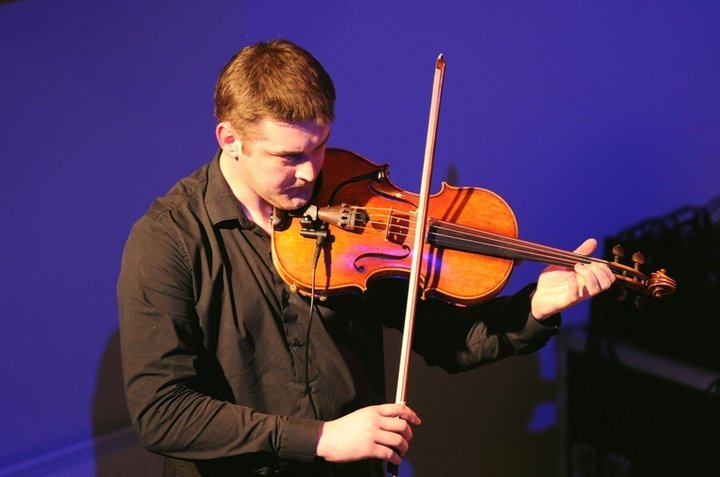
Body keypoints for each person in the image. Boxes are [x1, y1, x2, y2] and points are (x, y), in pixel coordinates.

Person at [117, 39, 615, 477]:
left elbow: (451, 341)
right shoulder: (169, 241)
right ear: (231, 140)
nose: (310, 173)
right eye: (289, 157)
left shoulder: (352, 205)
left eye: (320, 147)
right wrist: (321, 438)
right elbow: (163, 412)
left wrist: (534, 309)